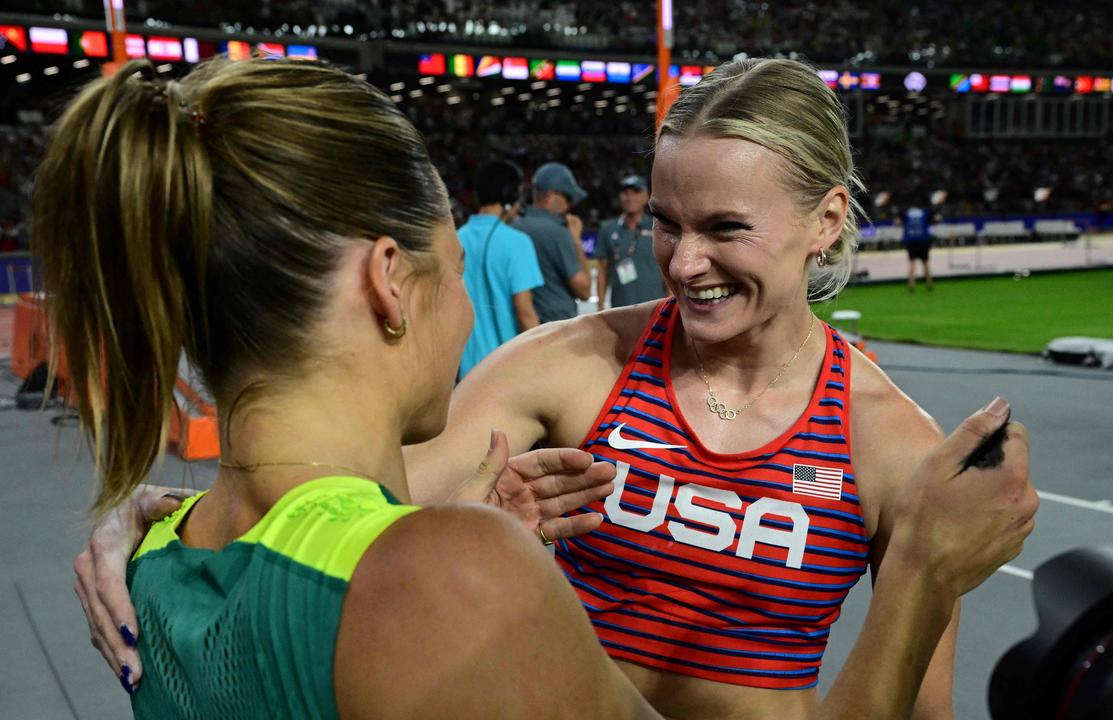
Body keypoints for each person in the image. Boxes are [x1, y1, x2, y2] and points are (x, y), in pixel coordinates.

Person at [78, 58, 1037, 720]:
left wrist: (163, 529)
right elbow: (336, 503)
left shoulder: (898, 452)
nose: (685, 260)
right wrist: (176, 508)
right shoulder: (565, 365)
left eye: (726, 226)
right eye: (665, 221)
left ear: (827, 220)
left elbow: (923, 705)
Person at [46, 57, 656, 719]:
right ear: (388, 279)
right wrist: (479, 576)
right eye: (453, 272)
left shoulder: (149, 559)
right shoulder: (455, 575)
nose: (466, 311)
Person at [456, 160, 543, 379]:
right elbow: (525, 312)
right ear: (509, 196)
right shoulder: (517, 242)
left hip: (464, 376)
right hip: (507, 374)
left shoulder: (456, 238)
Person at [513, 162, 591, 322]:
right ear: (551, 196)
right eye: (567, 197)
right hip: (557, 327)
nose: (570, 205)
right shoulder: (557, 232)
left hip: (522, 327)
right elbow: (584, 290)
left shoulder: (515, 226)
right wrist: (576, 240)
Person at [595, 174, 666, 310]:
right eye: (625, 193)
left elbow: (666, 269)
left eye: (636, 192)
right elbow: (602, 271)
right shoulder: (608, 229)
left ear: (647, 196)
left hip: (656, 309)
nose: (630, 197)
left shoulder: (658, 227)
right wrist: (600, 306)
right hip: (620, 310)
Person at [902, 198, 934, 291]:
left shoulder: (907, 213)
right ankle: (929, 283)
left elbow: (899, 222)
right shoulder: (924, 213)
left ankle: (911, 284)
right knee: (925, 262)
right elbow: (932, 221)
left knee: (912, 262)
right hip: (923, 240)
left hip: (911, 240)